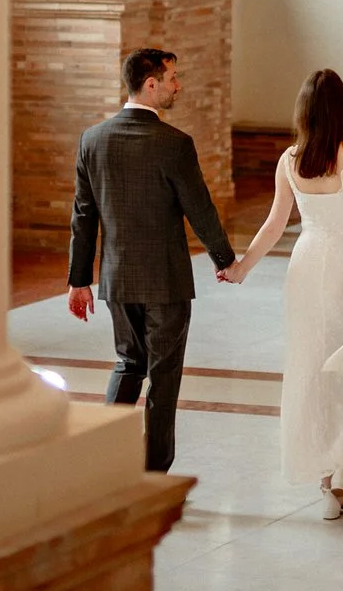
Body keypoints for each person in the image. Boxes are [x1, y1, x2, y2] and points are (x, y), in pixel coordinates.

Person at [67, 47, 237, 475]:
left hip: (117, 279)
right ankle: (153, 475)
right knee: (163, 378)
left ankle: (104, 463)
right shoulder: (174, 144)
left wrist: (78, 280)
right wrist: (224, 259)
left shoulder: (92, 140)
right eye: (172, 78)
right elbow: (200, 209)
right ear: (150, 84)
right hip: (166, 282)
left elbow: (83, 216)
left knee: (128, 364)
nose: (178, 85)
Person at [220, 68, 343, 519]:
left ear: (303, 113)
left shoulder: (289, 160)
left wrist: (242, 268)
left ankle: (329, 482)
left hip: (306, 266)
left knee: (311, 368)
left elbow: (275, 224)